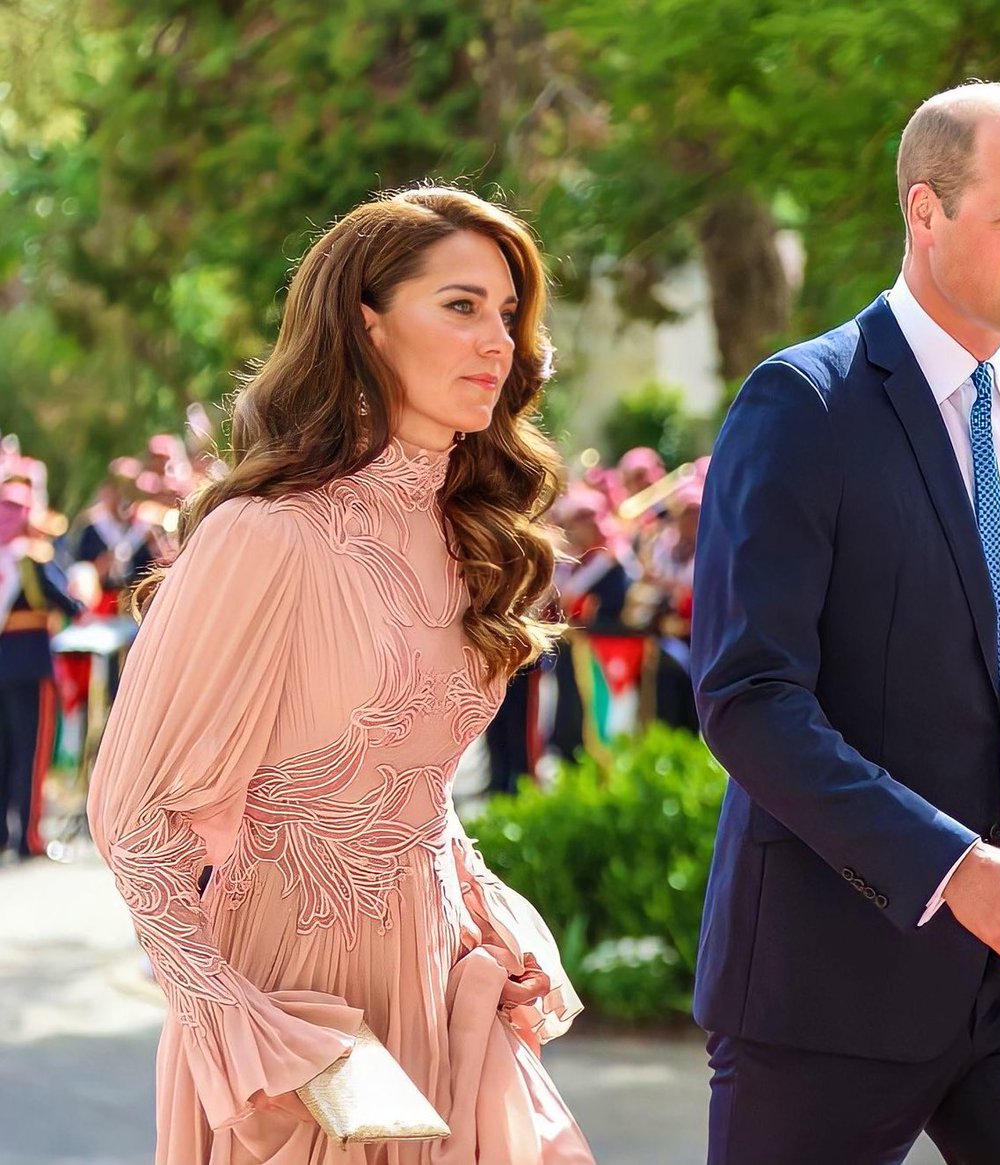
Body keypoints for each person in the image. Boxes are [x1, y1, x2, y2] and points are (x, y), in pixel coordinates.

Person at [87, 187, 595, 1165]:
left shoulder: (466, 536)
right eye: (460, 305)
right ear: (366, 324)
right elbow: (129, 815)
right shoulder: (266, 535)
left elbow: (411, 789)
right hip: (299, 997)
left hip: (443, 971)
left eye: (507, 313)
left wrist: (487, 914)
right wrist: (235, 1020)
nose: (501, 341)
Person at [691, 82, 1000, 1164]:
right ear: (924, 212)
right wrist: (952, 865)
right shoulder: (802, 404)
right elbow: (749, 699)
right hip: (827, 989)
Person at [0, 472, 84, 858]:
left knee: (3, 750)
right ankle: (28, 838)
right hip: (29, 662)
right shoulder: (32, 557)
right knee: (30, 752)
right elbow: (69, 604)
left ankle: (3, 833)